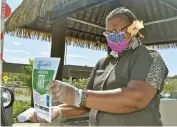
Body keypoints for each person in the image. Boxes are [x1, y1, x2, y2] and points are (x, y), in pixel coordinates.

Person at [29, 7, 168, 126]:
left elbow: (136, 99)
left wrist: (77, 96)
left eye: (117, 30)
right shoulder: (103, 63)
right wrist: (58, 110)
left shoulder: (152, 58)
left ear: (133, 29)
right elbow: (87, 103)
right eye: (108, 32)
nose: (112, 36)